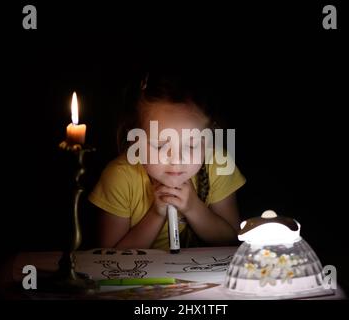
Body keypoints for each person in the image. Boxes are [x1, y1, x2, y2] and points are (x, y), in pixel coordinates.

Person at [88, 72, 246, 250]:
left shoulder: (218, 165)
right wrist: (156, 213)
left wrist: (193, 208)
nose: (177, 159)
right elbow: (106, 258)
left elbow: (232, 242)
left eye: (192, 145)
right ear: (134, 140)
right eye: (160, 145)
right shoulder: (119, 176)